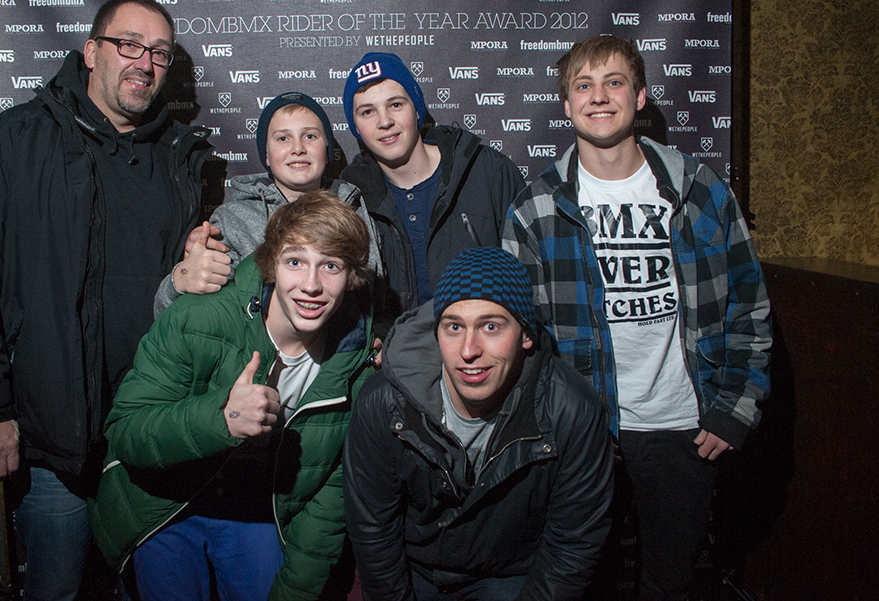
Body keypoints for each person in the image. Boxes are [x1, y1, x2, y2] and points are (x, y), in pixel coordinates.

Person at [0, 0, 213, 600]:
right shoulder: (16, 142)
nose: (145, 62)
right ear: (91, 52)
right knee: (58, 591)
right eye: (129, 44)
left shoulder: (179, 160)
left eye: (159, 52)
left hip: (149, 431)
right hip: (51, 440)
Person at [502, 35, 771, 600]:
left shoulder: (699, 189)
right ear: (567, 105)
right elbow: (518, 335)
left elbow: (749, 302)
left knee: (671, 582)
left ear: (640, 95)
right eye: (583, 86)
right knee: (583, 582)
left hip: (682, 427)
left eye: (614, 82)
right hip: (584, 430)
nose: (599, 97)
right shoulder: (536, 206)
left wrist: (734, 410)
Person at [89, 190, 377, 601]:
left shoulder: (352, 363)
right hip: (165, 501)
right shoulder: (197, 318)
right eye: (295, 261)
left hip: (257, 507)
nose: (311, 285)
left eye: (330, 266)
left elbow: (327, 503)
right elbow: (125, 432)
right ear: (272, 264)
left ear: (351, 277)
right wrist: (219, 418)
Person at [344, 247, 613, 600]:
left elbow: (573, 545)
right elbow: (373, 527)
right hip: (414, 567)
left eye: (490, 326)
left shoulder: (573, 411)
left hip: (511, 573)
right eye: (454, 327)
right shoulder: (384, 402)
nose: (469, 350)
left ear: (525, 335)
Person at [153, 91, 382, 318]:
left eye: (310, 136)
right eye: (283, 138)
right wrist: (180, 280)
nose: (298, 148)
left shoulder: (354, 209)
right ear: (267, 156)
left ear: (327, 149)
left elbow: (373, 300)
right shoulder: (233, 221)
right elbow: (181, 317)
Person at [341, 52, 526, 322]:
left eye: (395, 104)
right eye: (368, 111)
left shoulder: (489, 171)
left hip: (483, 351)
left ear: (417, 109)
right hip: (395, 359)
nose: (384, 121)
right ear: (355, 127)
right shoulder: (350, 198)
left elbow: (529, 279)